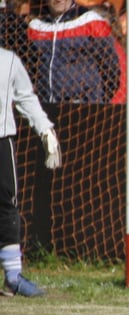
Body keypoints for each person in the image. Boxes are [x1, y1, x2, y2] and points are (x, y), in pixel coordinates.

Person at [0, 47, 61, 297]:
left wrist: (45, 129)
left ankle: (13, 277)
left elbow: (25, 97)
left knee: (6, 204)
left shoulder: (8, 60)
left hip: (1, 140)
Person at [27, 0, 125, 103]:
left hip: (84, 108)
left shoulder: (91, 21)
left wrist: (96, 101)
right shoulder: (35, 26)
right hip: (45, 106)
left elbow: (112, 69)